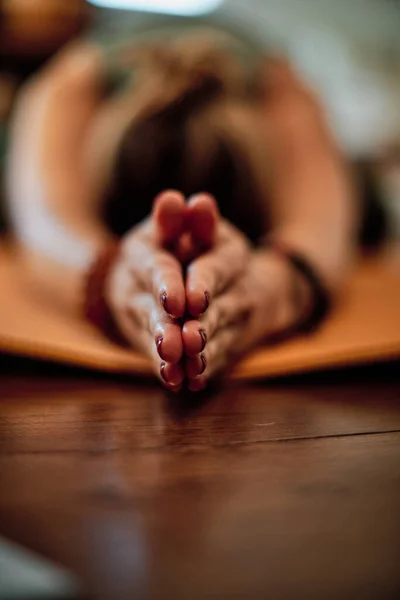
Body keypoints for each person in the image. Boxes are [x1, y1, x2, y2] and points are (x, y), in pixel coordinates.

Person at [5, 30, 358, 392]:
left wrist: (272, 290)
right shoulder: (73, 80)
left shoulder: (279, 87)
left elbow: (325, 225)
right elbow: (44, 223)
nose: (185, 256)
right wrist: (118, 284)